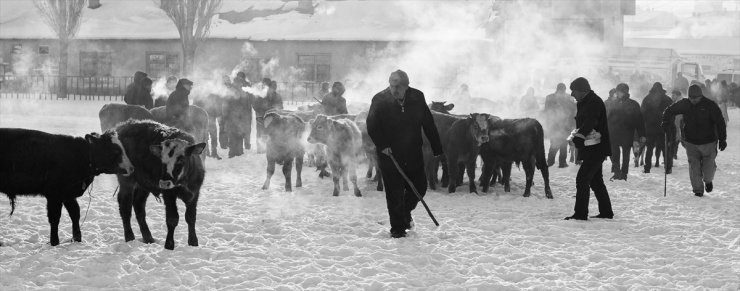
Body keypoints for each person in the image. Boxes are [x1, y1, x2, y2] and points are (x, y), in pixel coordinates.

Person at [367, 70, 443, 238]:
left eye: (398, 87)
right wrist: (382, 145)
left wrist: (437, 147)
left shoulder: (417, 97)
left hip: (413, 151)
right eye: (392, 86)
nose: (394, 90)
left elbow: (428, 122)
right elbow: (371, 125)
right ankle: (398, 229)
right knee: (394, 192)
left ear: (406, 86)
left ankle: (404, 212)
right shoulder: (379, 99)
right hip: (389, 153)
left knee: (419, 187)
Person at [661, 85, 727, 197]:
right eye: (691, 98)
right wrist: (665, 121)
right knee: (693, 166)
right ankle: (698, 190)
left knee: (708, 167)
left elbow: (720, 122)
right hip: (691, 142)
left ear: (701, 96)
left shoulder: (710, 105)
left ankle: (708, 180)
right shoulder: (685, 104)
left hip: (708, 142)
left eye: (695, 98)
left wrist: (722, 139)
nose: (693, 100)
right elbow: (669, 110)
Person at [565, 77, 613, 221]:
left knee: (582, 179)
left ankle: (580, 214)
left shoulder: (593, 102)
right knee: (596, 181)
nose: (572, 94)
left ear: (582, 90)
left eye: (573, 90)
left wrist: (579, 136)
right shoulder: (586, 101)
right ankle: (606, 211)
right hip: (591, 147)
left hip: (596, 148)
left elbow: (591, 121)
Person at [606, 83, 645, 180]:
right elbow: (607, 118)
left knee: (626, 154)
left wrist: (642, 134)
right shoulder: (612, 103)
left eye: (618, 92)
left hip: (627, 133)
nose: (617, 94)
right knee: (614, 154)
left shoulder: (633, 104)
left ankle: (624, 173)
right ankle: (616, 172)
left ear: (624, 92)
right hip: (614, 133)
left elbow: (639, 121)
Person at [640, 82, 673, 173]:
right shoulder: (667, 99)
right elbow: (672, 114)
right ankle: (668, 167)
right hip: (663, 128)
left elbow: (642, 114)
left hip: (650, 127)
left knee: (649, 149)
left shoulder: (647, 99)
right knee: (664, 149)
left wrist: (644, 126)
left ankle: (647, 168)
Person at [543, 83, 576, 168]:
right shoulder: (550, 98)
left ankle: (561, 162)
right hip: (555, 124)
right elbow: (547, 111)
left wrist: (572, 123)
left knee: (563, 143)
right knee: (555, 142)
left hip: (565, 124)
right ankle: (551, 161)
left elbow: (573, 111)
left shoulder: (569, 98)